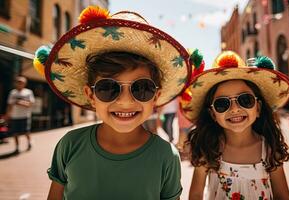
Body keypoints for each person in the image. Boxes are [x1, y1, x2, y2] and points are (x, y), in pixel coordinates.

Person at [33, 6, 191, 199]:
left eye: (142, 88)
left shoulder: (167, 156)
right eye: (107, 88)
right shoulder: (70, 145)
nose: (125, 101)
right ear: (90, 95)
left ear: (155, 98)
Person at [181, 51, 289, 200]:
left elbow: (282, 196)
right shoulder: (208, 149)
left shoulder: (270, 150)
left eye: (245, 100)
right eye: (222, 104)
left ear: (258, 108)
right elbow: (195, 195)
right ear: (213, 114)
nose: (234, 109)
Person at [5, 76, 35, 153]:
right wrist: (8, 114)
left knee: (26, 132)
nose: (19, 83)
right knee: (15, 133)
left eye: (21, 82)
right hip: (15, 116)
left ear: (25, 83)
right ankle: (17, 148)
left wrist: (20, 102)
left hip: (25, 115)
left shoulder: (28, 92)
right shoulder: (12, 92)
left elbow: (31, 104)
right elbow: (10, 104)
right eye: (18, 82)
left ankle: (29, 143)